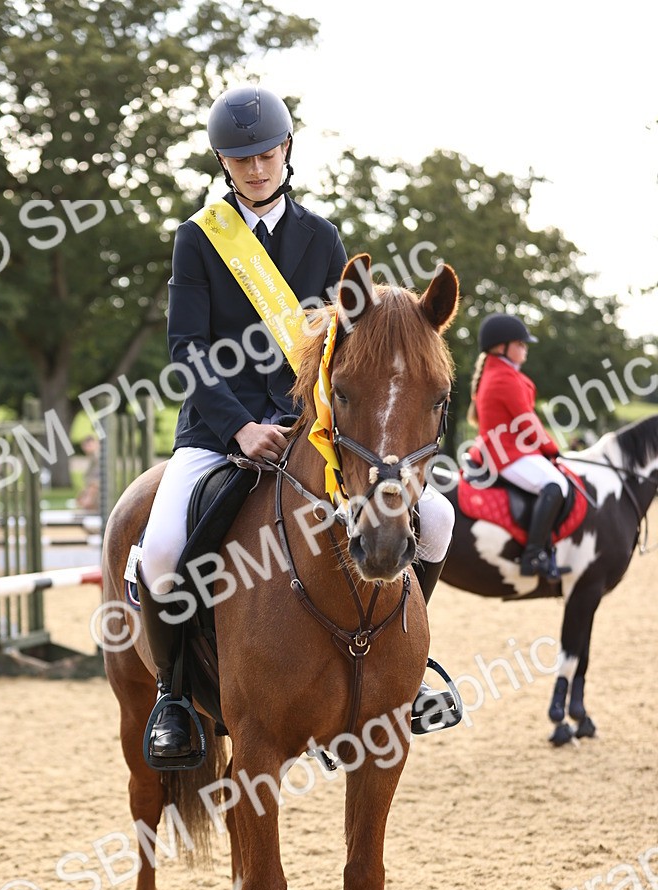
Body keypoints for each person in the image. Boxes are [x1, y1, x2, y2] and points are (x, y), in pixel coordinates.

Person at [137, 84, 457, 762]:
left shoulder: (321, 236)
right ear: (225, 164)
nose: (256, 168)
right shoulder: (198, 241)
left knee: (438, 522)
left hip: (309, 428)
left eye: (266, 153)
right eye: (241, 158)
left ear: (287, 150)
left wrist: (303, 421)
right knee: (163, 548)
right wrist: (237, 429)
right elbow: (186, 349)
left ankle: (409, 667)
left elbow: (340, 348)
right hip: (217, 433)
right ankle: (174, 696)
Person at [468, 313, 570, 583]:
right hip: (505, 453)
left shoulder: (499, 371)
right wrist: (551, 448)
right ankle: (533, 555)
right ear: (501, 347)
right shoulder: (505, 378)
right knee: (555, 484)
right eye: (520, 343)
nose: (525, 348)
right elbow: (527, 421)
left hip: (506, 448)